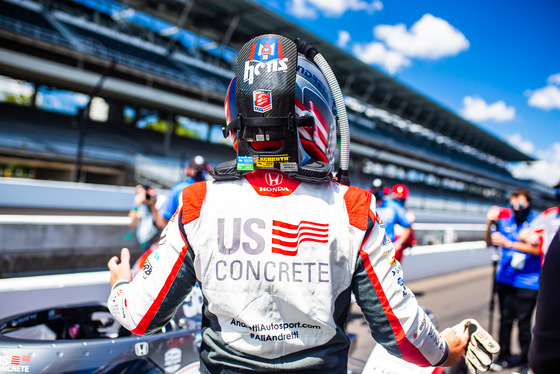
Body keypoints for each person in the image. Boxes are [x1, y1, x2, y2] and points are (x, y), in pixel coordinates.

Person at [107, 34, 498, 373]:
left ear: (235, 121)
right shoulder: (354, 208)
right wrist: (449, 349)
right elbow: (406, 337)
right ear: (318, 117)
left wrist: (120, 285)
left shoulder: (198, 202)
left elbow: (140, 317)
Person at [483, 189, 540, 371]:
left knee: (524, 323)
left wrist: (511, 243)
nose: (517, 209)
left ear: (528, 204)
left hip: (528, 281)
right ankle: (503, 356)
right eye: (513, 205)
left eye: (521, 205)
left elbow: (538, 249)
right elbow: (488, 242)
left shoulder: (536, 222)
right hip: (506, 279)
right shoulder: (506, 221)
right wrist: (489, 222)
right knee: (505, 319)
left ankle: (526, 361)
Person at [153, 154, 211, 229]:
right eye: (196, 168)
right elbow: (166, 217)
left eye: (200, 169)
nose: (198, 172)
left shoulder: (178, 189)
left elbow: (165, 218)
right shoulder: (212, 188)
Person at [370, 178, 413, 261]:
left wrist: (399, 243)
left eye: (379, 189)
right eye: (374, 188)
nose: (376, 191)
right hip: (368, 251)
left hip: (387, 252)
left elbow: (408, 226)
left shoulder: (393, 207)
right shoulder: (366, 205)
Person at [128, 184, 162, 250]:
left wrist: (152, 205)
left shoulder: (158, 202)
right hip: (145, 241)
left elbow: (159, 223)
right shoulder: (138, 206)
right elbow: (132, 224)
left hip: (156, 241)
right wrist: (136, 205)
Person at [391, 183, 416, 262]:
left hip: (398, 244)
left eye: (401, 199)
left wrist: (401, 242)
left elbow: (410, 229)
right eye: (397, 199)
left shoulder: (408, 213)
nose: (399, 202)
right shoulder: (385, 209)